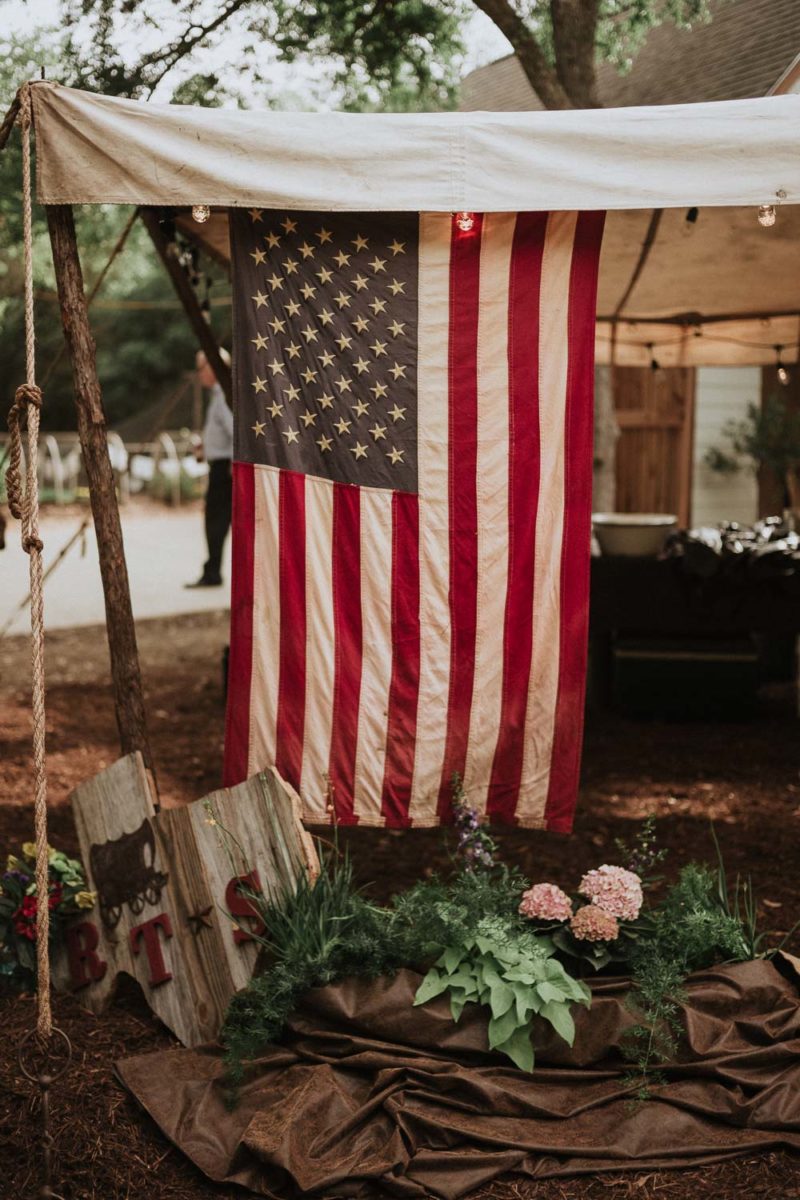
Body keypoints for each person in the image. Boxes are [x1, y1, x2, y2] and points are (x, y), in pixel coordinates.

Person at [186, 348, 233, 588]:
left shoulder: (224, 395)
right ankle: (212, 569)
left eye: (201, 367)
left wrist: (234, 465)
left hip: (226, 468)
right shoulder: (218, 395)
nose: (199, 373)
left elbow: (235, 431)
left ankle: (213, 571)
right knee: (219, 520)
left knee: (216, 520)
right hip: (221, 462)